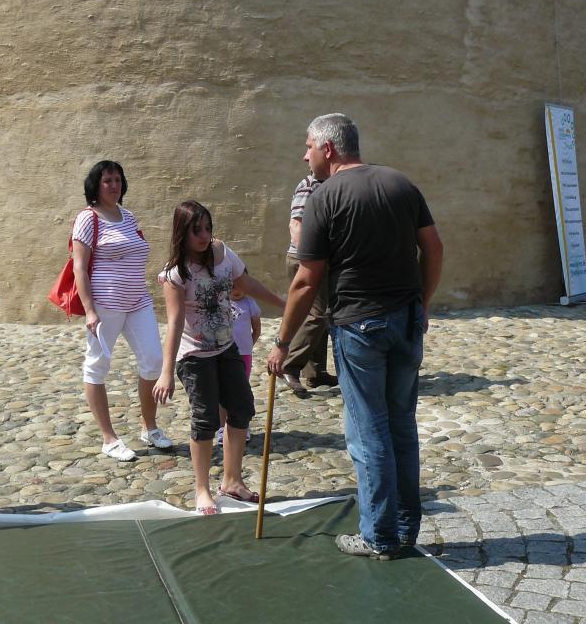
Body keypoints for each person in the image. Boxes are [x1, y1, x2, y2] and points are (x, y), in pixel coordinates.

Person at [267, 113, 443, 560]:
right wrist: (422, 303)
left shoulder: (324, 197)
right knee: (401, 425)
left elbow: (306, 280)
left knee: (369, 432)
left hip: (359, 326)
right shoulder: (400, 184)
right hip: (405, 321)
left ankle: (379, 535)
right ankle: (404, 529)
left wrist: (283, 342)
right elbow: (434, 247)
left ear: (328, 148)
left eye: (308, 146)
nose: (305, 155)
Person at [153, 200, 284, 515]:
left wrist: (284, 303)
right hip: (194, 355)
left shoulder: (222, 253)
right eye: (196, 230)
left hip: (227, 348)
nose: (204, 236)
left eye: (207, 228)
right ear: (182, 233)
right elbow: (174, 323)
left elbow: (246, 283)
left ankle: (232, 481)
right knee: (206, 420)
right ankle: (202, 489)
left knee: (241, 409)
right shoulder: (175, 275)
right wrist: (166, 371)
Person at [71, 160, 173, 462]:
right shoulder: (88, 218)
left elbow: (135, 254)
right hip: (105, 305)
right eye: (107, 181)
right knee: (97, 366)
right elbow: (79, 267)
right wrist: (90, 310)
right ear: (96, 185)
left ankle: (149, 427)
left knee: (153, 361)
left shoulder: (128, 216)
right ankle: (109, 438)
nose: (113, 185)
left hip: (138, 301)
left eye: (117, 180)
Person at [283, 172, 336, 396]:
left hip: (314, 259)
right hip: (305, 260)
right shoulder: (310, 185)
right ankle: (289, 365)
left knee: (319, 314)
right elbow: (296, 225)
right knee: (318, 314)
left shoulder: (326, 184)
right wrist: (311, 257)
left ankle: (315, 372)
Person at [216, 283, 261, 444]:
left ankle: (242, 426)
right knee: (223, 392)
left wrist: (248, 345)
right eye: (232, 287)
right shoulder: (219, 303)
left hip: (243, 355)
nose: (237, 291)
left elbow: (256, 329)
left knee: (240, 391)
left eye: (241, 286)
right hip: (223, 354)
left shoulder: (250, 304)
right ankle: (222, 427)